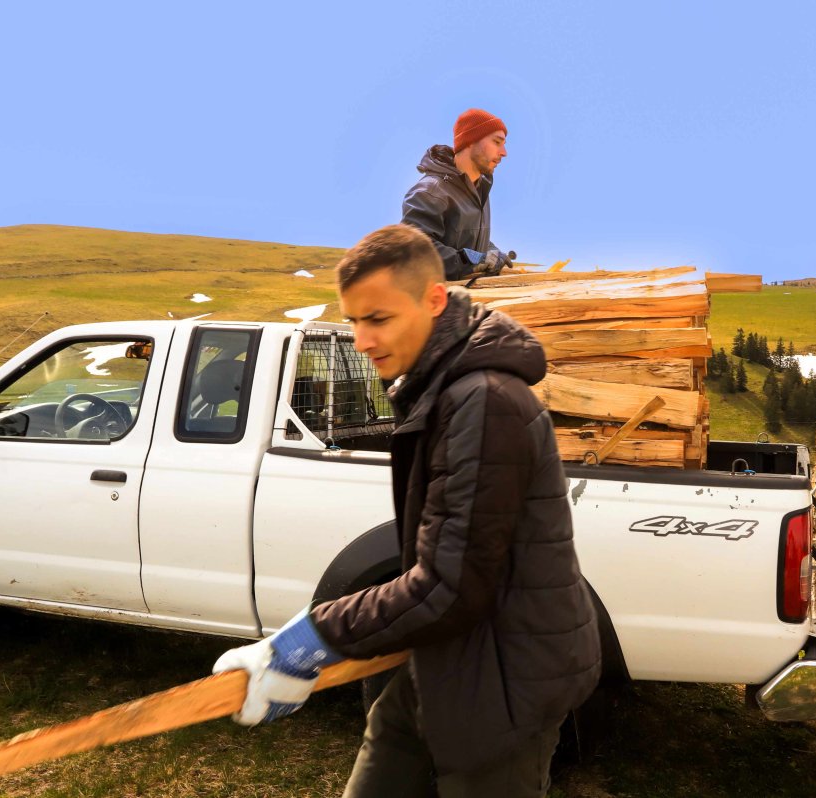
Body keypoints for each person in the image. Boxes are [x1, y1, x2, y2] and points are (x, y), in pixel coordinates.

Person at [213, 223, 601, 797]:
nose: (362, 340)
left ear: (435, 300)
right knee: (387, 748)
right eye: (353, 321)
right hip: (448, 654)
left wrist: (311, 638)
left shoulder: (484, 402)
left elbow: (448, 587)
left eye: (379, 318)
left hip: (507, 675)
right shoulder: (441, 387)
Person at [401, 108, 513, 280]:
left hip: (471, 298)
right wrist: (473, 260)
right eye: (497, 142)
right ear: (470, 141)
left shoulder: (480, 190)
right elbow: (416, 250)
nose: (504, 152)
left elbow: (465, 239)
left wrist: (491, 252)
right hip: (435, 302)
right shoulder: (431, 191)